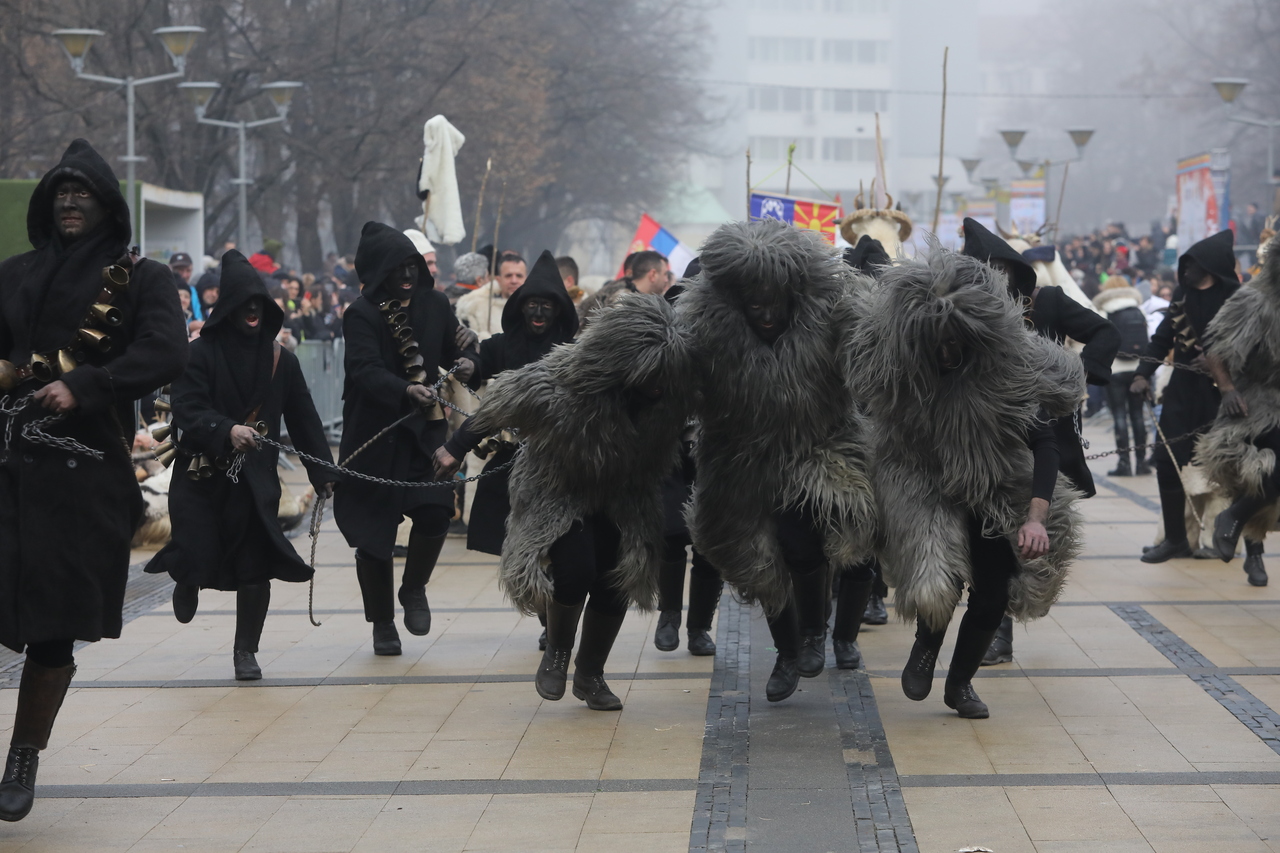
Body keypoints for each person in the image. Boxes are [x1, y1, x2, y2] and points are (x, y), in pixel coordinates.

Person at [0, 139, 188, 821]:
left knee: (54, 622)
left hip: (83, 475)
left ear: (108, 205)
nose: (70, 202)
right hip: (8, 461)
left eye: (83, 193)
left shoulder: (141, 280)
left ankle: (23, 754)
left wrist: (87, 385)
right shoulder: (14, 273)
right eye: (60, 192)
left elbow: (164, 350)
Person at [855, 248, 1084, 718]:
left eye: (955, 340)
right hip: (922, 487)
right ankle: (925, 645)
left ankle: (960, 684)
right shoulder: (895, 375)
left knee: (994, 592)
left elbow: (1045, 444)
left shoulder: (1006, 373)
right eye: (935, 341)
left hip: (992, 486)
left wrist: (1036, 515)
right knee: (938, 582)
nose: (946, 352)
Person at [436, 293, 693, 710]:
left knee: (617, 580)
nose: (658, 382)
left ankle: (591, 675)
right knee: (576, 569)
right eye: (651, 372)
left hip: (626, 495)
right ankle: (557, 652)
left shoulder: (671, 393)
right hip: (559, 489)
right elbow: (500, 404)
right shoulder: (564, 376)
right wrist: (455, 447)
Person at [677, 221, 877, 702]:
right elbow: (679, 380)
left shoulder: (829, 318)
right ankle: (786, 653)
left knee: (799, 541)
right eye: (755, 306)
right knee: (755, 561)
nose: (766, 315)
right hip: (738, 459)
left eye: (775, 305)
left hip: (815, 451)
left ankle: (814, 633)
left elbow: (876, 355)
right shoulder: (710, 330)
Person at [145, 251, 339, 679]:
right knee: (196, 546)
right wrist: (225, 429)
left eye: (259, 303)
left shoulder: (281, 360)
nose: (252, 310)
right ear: (228, 308)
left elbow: (305, 420)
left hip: (254, 481)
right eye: (243, 303)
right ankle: (186, 575)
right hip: (200, 475)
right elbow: (187, 408)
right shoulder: (198, 354)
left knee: (256, 563)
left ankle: (245, 652)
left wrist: (323, 473)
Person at [962, 218, 1119, 667]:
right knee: (992, 538)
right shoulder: (964, 320)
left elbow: (1107, 333)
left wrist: (1074, 376)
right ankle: (997, 632)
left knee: (1027, 540)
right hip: (988, 448)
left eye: (998, 271)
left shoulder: (1047, 303)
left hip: (1043, 444)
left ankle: (1004, 622)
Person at [334, 222, 477, 656]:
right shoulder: (360, 314)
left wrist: (471, 359)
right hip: (374, 437)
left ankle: (414, 588)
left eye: (413, 266)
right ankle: (382, 625)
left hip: (422, 433)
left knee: (435, 512)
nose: (408, 275)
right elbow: (364, 369)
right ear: (380, 271)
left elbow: (461, 353)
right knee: (374, 540)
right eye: (399, 268)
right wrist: (402, 389)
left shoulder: (436, 305)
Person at [435, 250, 579, 556]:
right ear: (521, 308)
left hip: (565, 462)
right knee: (499, 510)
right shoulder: (505, 343)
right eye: (531, 305)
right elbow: (480, 360)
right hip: (514, 453)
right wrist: (468, 364)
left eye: (546, 306)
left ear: (558, 310)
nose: (538, 312)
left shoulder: (575, 351)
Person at [1131, 230, 1241, 563]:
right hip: (1181, 391)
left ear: (1208, 266)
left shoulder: (1236, 297)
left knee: (1224, 470)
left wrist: (1220, 363)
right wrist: (1141, 374)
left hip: (1223, 396)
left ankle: (1224, 538)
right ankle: (1176, 540)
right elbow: (1162, 339)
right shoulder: (1181, 295)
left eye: (1191, 264)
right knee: (1166, 464)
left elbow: (1252, 346)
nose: (1185, 270)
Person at [1197, 233, 1280, 586]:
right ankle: (1232, 518)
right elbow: (1217, 350)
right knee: (1270, 468)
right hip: (1258, 401)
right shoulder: (1254, 300)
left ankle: (1238, 520)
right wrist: (1228, 389)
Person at [1093, 277, 1151, 476]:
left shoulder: (1105, 310)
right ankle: (1142, 463)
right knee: (1137, 415)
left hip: (1115, 369)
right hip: (1138, 371)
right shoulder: (1138, 309)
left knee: (1119, 415)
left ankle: (1124, 463)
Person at [578, 250, 668, 326]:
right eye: (664, 274)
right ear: (653, 275)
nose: (666, 279)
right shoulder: (622, 301)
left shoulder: (640, 301)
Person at [455, 252, 526, 339]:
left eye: (519, 276)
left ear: (526, 279)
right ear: (498, 279)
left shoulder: (534, 309)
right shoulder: (476, 307)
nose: (514, 281)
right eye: (508, 276)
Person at [170, 252, 202, 321]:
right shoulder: (163, 290)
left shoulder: (193, 291)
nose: (184, 275)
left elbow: (198, 317)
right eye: (180, 270)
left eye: (188, 271)